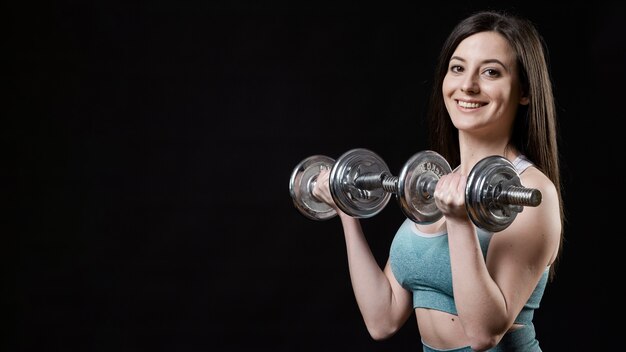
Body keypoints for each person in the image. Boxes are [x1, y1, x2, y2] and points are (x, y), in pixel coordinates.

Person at [311, 10, 564, 351]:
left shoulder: (532, 193)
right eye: (457, 68)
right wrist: (347, 209)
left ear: (525, 91)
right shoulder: (441, 183)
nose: (467, 85)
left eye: (490, 72)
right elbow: (382, 319)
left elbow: (483, 334)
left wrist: (459, 222)